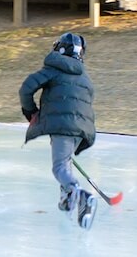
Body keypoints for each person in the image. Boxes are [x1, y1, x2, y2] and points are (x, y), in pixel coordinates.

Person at [19, 32, 98, 229]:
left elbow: (26, 89)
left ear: (59, 48)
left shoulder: (54, 68)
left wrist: (31, 112)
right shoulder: (85, 76)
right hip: (83, 129)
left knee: (60, 168)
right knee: (65, 163)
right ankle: (66, 201)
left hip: (63, 126)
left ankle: (78, 193)